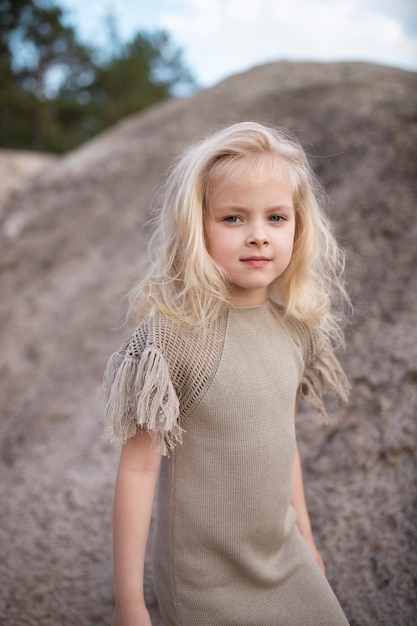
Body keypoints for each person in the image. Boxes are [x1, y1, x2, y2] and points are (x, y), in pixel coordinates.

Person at [103, 121, 351, 626]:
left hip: (285, 558)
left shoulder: (294, 329)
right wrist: (129, 603)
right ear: (198, 225)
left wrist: (307, 538)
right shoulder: (172, 338)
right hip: (205, 582)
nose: (258, 234)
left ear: (298, 227)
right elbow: (138, 469)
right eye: (234, 217)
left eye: (277, 217)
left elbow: (284, 442)